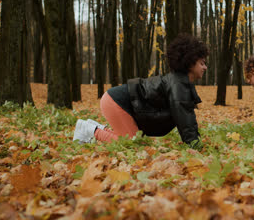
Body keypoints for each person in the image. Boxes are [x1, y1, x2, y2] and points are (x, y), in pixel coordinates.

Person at [73, 33, 208, 150]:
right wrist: (195, 147)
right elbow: (186, 122)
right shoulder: (179, 84)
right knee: (132, 145)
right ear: (190, 63)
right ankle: (91, 131)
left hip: (116, 100)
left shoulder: (180, 82)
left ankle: (94, 127)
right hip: (116, 102)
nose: (205, 67)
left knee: (137, 144)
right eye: (202, 63)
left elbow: (186, 118)